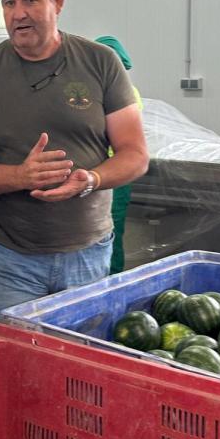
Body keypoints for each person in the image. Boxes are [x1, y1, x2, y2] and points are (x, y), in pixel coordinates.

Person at [0, 0, 149, 322]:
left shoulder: (100, 62)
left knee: (79, 365)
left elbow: (135, 153)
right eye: (8, 2)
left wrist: (91, 179)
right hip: (10, 260)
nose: (17, 13)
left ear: (56, 1)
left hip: (87, 256)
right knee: (17, 365)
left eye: (29, 0)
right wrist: (18, 176)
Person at [94, 35, 142, 274]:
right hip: (103, 173)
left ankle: (109, 280)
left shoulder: (122, 93)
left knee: (108, 231)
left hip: (113, 172)